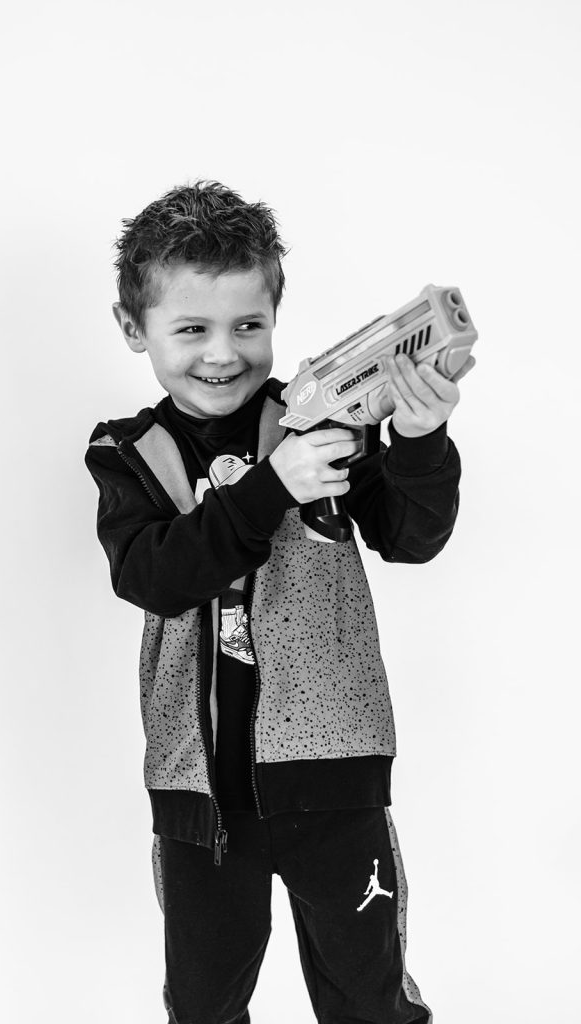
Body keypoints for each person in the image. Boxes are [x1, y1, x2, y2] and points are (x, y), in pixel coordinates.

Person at [85, 180, 468, 1024]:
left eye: (248, 326)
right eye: (191, 329)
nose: (224, 353)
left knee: (371, 999)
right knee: (205, 1007)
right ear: (133, 328)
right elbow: (153, 574)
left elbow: (412, 535)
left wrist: (419, 437)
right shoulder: (126, 453)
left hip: (336, 780)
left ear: (274, 318)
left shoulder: (322, 417)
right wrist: (269, 490)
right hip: (201, 798)